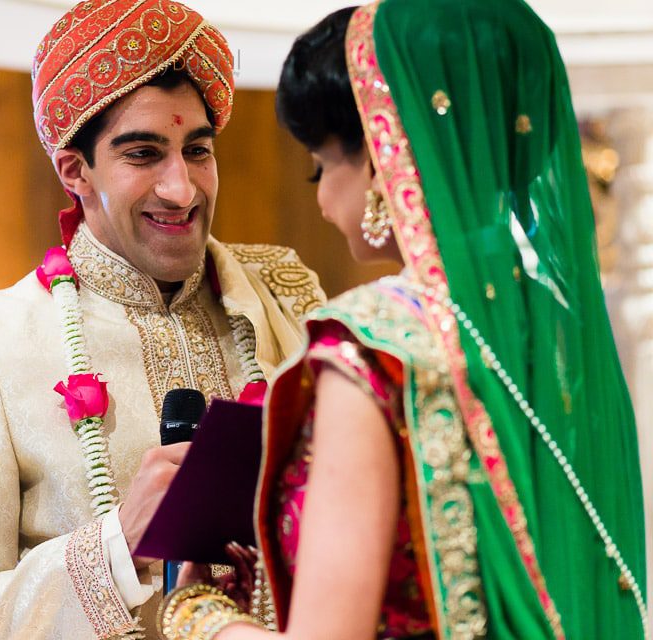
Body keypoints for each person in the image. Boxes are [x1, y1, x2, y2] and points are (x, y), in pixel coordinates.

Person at [157, 1, 648, 638]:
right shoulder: (562, 334)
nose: (324, 198)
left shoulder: (372, 348)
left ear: (386, 155)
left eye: (322, 165)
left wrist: (200, 615)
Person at [0, 1, 326, 638]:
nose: (181, 189)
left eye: (197, 150)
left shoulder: (288, 299)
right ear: (75, 171)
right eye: (144, 154)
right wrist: (117, 545)